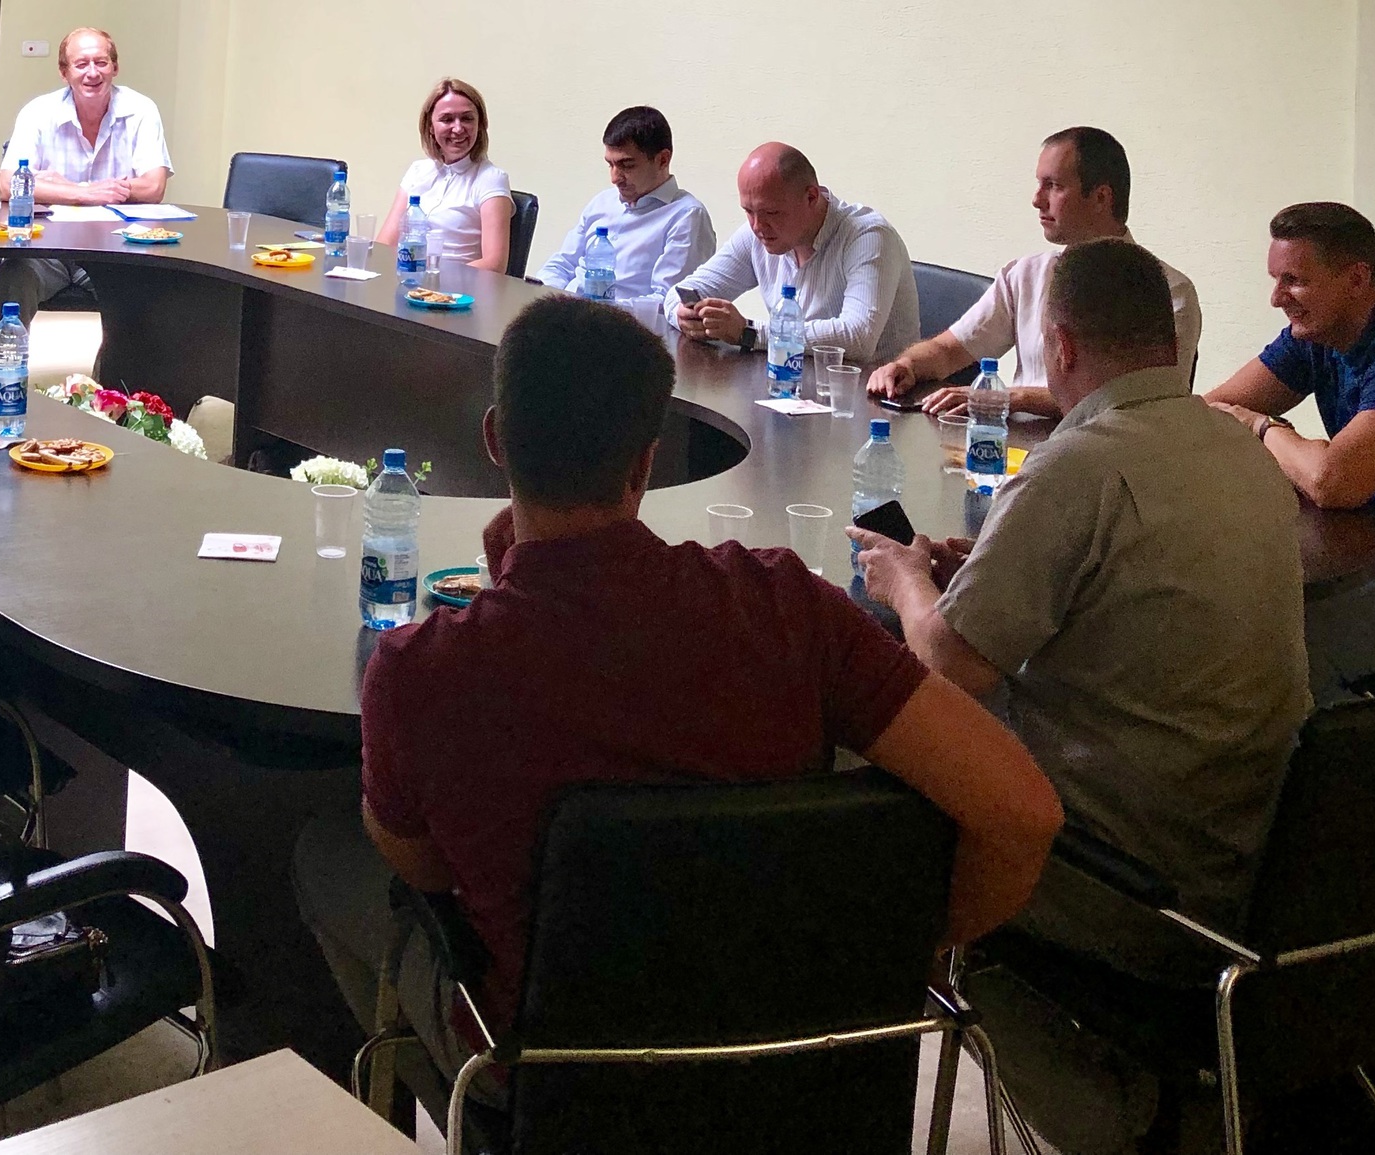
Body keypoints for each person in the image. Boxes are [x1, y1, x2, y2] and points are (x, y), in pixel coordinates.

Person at [295, 294, 1063, 1105]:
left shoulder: (420, 671)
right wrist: (878, 953)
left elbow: (424, 864)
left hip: (559, 1076)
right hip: (785, 1057)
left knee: (324, 854)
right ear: (646, 463)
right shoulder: (788, 609)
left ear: (494, 440)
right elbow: (1023, 814)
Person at [850, 238, 1309, 1154]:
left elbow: (949, 663)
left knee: (883, 744)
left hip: (1123, 888)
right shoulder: (1242, 450)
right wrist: (984, 571)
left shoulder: (1076, 467)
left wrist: (906, 581)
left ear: (1058, 345)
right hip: (1257, 873)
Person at [869, 127, 1202, 417]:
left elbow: (1143, 402)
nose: (1036, 200)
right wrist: (907, 365)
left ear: (1101, 198)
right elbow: (949, 351)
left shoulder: (1169, 292)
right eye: (1039, 184)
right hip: (1014, 450)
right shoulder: (1025, 275)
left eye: (1053, 185)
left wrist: (1011, 398)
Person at [1205, 203, 1375, 570]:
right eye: (1275, 280)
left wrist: (1261, 426)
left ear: (1356, 280)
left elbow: (1333, 482)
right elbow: (1205, 413)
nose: (1276, 299)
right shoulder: (1313, 337)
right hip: (1365, 549)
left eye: (1294, 281)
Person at [666, 143, 918, 363]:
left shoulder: (868, 236)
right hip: (791, 382)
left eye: (772, 213)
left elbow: (858, 337)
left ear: (811, 197)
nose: (757, 226)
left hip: (874, 393)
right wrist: (682, 315)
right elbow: (681, 292)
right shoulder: (758, 233)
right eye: (748, 211)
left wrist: (749, 332)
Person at [0, 26, 171, 324]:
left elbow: (153, 187)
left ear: (115, 67)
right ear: (64, 73)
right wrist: (85, 193)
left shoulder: (141, 110)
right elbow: (9, 185)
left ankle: (119, 358)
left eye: (101, 62)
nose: (92, 73)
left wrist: (57, 188)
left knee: (148, 291)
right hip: (46, 248)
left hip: (115, 248)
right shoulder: (38, 111)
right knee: (14, 274)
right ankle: (8, 354)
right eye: (81, 64)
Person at [535, 105, 714, 325]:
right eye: (610, 164)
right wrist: (543, 295)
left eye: (626, 165)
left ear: (662, 160)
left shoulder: (687, 216)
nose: (614, 178)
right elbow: (562, 263)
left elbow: (668, 304)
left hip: (624, 331)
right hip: (569, 317)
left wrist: (593, 310)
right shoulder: (603, 202)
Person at [371, 78, 512, 273]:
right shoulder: (417, 171)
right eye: (447, 119)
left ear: (480, 124)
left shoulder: (491, 178)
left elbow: (494, 265)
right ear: (430, 126)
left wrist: (433, 277)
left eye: (467, 118)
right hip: (407, 279)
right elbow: (385, 245)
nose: (458, 128)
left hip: (458, 288)